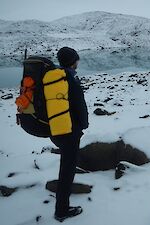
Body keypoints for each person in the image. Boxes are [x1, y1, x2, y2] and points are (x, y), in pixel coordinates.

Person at [50, 47, 89, 222]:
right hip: (69, 132)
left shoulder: (54, 76)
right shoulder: (71, 77)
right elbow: (79, 104)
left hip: (55, 128)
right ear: (74, 60)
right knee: (67, 170)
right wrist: (84, 124)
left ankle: (61, 202)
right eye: (77, 59)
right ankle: (62, 210)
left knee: (65, 166)